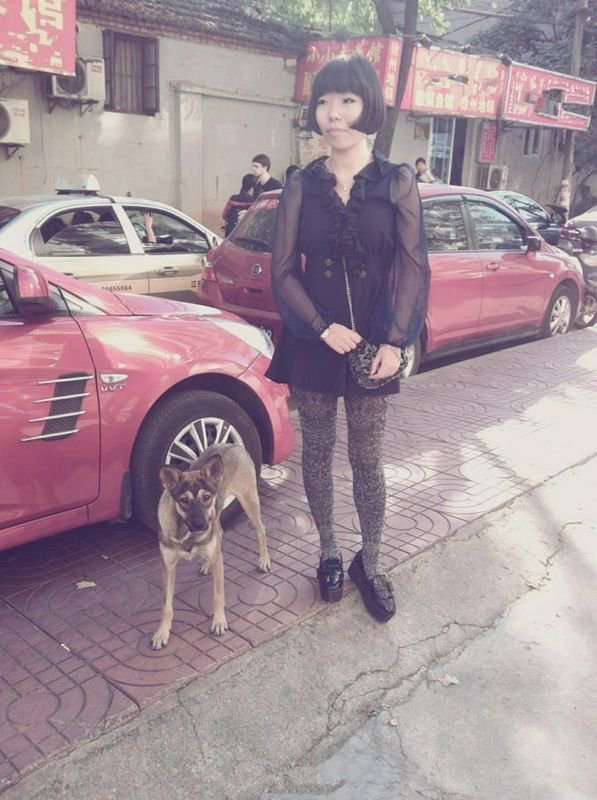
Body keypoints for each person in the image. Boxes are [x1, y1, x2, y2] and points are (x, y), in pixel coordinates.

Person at [266, 55, 430, 622]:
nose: (333, 114)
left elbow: (412, 267)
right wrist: (320, 326)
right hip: (313, 338)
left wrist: (394, 341)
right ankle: (330, 552)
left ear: (369, 108)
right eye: (324, 102)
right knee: (316, 453)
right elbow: (282, 270)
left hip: (373, 347)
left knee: (367, 459)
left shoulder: (397, 181)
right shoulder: (299, 185)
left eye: (347, 101)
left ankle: (372, 562)